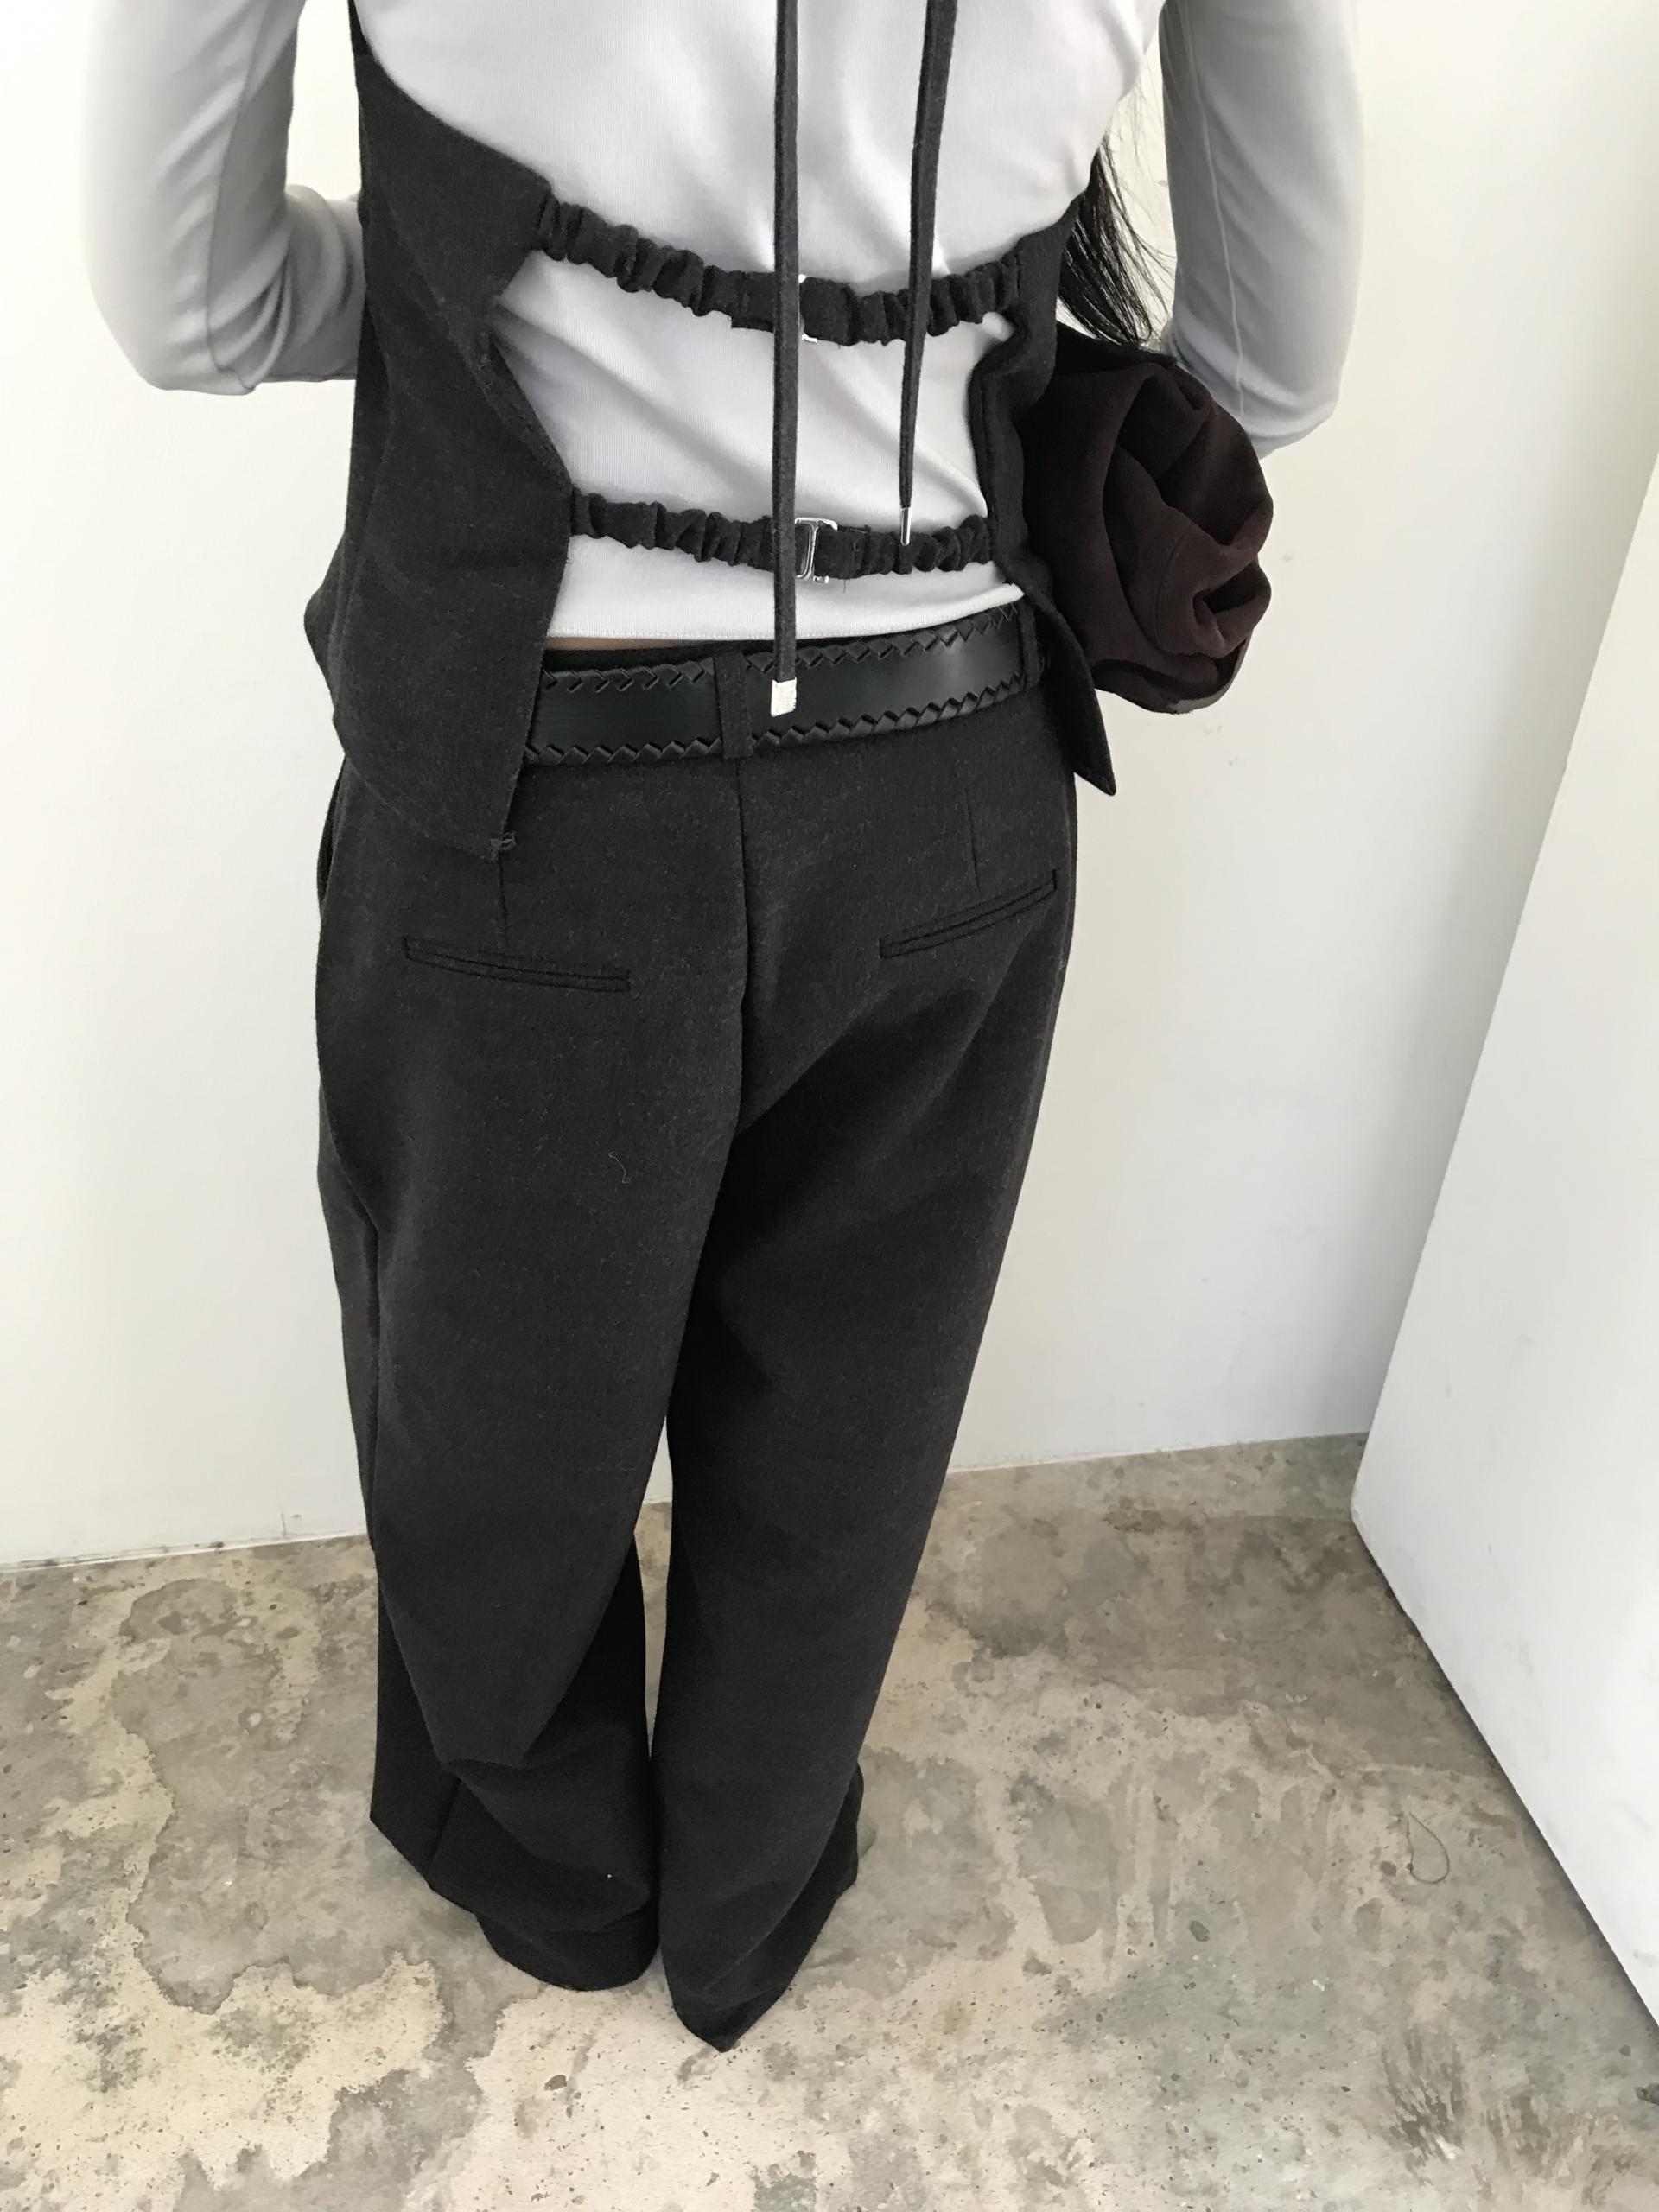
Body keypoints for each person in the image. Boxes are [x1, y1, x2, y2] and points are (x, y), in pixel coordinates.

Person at [82, 0, 1362, 2050]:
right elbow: (1274, 366)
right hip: (953, 776)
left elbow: (195, 307)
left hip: (532, 785)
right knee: (851, 1410)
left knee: (489, 1407)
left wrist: (486, 287)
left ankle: (555, 1874)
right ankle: (749, 1898)